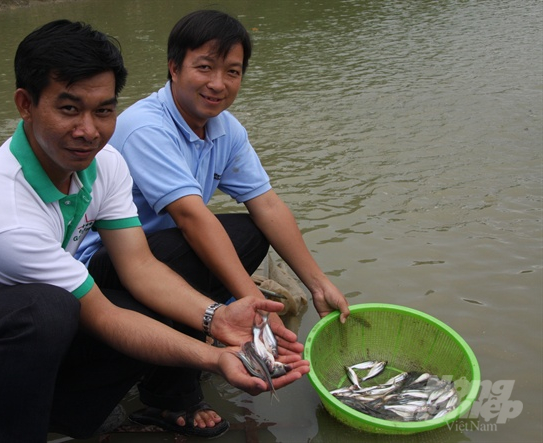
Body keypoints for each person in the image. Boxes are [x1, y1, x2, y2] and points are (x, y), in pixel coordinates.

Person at [0, 19, 309, 442]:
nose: (89, 130)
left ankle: (62, 414)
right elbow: (103, 318)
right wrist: (215, 359)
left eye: (103, 110)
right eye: (69, 109)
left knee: (138, 303)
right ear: (26, 104)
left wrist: (217, 319)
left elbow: (140, 265)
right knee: (48, 310)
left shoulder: (104, 165)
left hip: (18, 308)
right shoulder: (1, 206)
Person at [76, 9, 351, 431]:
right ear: (174, 67)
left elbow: (268, 205)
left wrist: (319, 283)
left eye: (232, 71)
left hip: (165, 253)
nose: (218, 84)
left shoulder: (225, 129)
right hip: (111, 264)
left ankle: (198, 332)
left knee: (249, 230)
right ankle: (170, 396)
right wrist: (255, 309)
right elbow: (190, 217)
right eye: (204, 67)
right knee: (204, 241)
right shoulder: (144, 127)